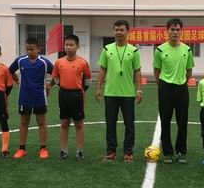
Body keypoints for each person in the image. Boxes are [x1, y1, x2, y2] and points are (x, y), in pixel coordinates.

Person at [95, 19, 143, 162]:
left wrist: (139, 90)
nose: (119, 32)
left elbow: (137, 72)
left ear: (128, 32)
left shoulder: (134, 51)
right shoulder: (107, 49)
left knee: (129, 124)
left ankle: (128, 151)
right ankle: (111, 150)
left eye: (122, 30)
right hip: (110, 93)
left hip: (128, 94)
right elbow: (102, 70)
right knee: (110, 124)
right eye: (116, 30)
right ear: (113, 31)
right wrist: (98, 88)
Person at [153, 18, 194, 163]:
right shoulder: (160, 50)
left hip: (182, 88)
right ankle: (168, 152)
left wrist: (182, 81)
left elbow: (189, 70)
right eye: (172, 29)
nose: (175, 32)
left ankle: (181, 151)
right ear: (167, 31)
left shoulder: (187, 50)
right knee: (165, 121)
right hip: (165, 88)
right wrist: (161, 85)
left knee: (182, 121)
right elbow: (156, 70)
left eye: (177, 30)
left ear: (181, 31)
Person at [9, 37, 54, 159]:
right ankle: (22, 148)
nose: (29, 52)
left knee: (41, 122)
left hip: (40, 97)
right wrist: (17, 81)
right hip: (24, 96)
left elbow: (56, 73)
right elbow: (10, 70)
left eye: (32, 49)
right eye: (27, 49)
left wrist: (50, 85)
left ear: (38, 49)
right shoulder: (20, 61)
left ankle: (43, 148)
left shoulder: (44, 62)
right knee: (24, 122)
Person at [50, 34, 92, 161]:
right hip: (63, 95)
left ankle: (80, 151)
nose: (68, 47)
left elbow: (88, 80)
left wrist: (80, 91)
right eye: (66, 45)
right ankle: (63, 151)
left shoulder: (83, 63)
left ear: (77, 47)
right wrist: (62, 87)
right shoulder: (59, 62)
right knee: (64, 123)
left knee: (79, 124)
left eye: (71, 45)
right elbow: (55, 77)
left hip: (77, 96)